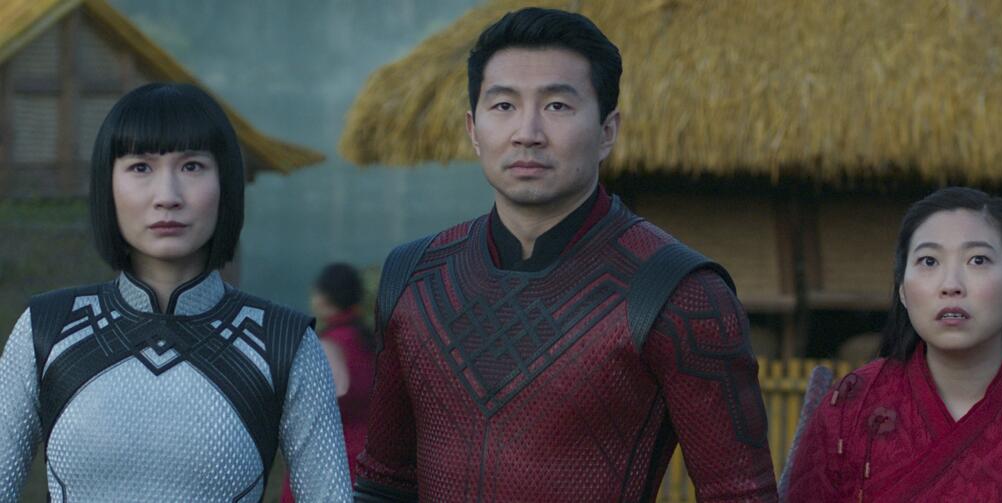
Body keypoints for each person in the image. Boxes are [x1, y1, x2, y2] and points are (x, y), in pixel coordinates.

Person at [353, 7, 777, 502]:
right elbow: (384, 484)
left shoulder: (679, 293)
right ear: (473, 128)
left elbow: (741, 495)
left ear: (607, 131)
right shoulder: (413, 278)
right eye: (503, 106)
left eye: (557, 106)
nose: (527, 132)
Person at [0, 83, 351, 502]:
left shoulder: (283, 344)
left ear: (226, 183)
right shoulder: (47, 330)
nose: (167, 197)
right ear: (107, 184)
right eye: (140, 167)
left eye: (192, 166)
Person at [785, 187, 1002, 502]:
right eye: (929, 261)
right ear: (903, 290)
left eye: (977, 260)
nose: (951, 285)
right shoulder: (847, 411)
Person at [283, 263, 375, 502]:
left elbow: (328, 399)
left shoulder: (329, 345)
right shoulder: (368, 340)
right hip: (367, 466)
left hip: (329, 464)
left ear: (324, 298)